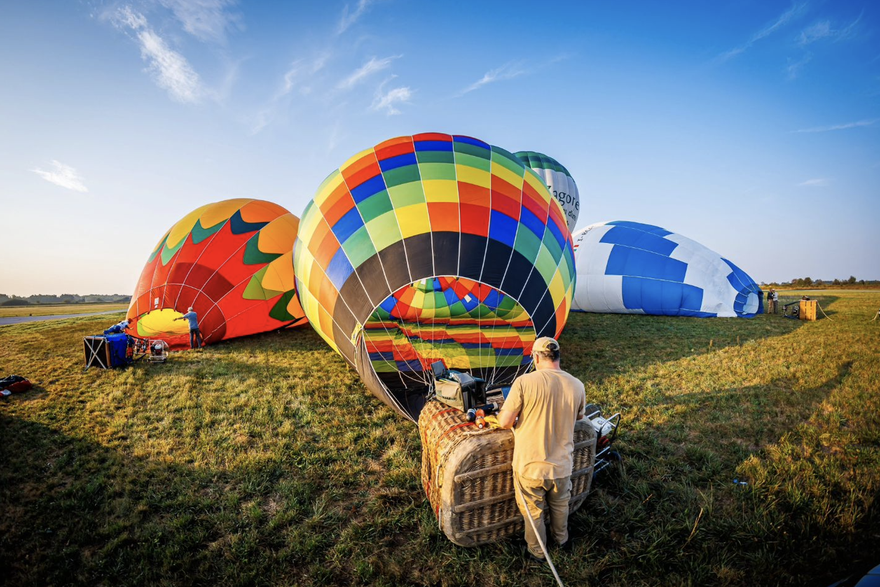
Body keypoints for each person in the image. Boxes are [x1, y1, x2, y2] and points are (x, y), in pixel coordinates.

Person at [496, 337, 586, 562]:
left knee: (533, 511)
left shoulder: (524, 382)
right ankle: (562, 541)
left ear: (536, 357)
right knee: (560, 504)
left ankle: (537, 552)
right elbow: (579, 416)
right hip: (562, 465)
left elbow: (505, 422)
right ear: (558, 356)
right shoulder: (577, 384)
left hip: (530, 466)